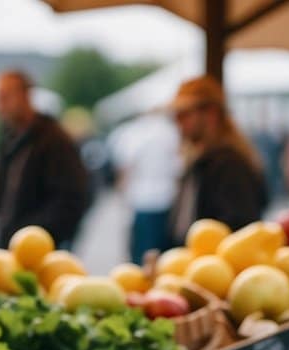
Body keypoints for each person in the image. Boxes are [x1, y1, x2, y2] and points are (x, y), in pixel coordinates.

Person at [0, 70, 89, 249]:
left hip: (40, 246)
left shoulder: (54, 139)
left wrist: (39, 232)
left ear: (25, 95)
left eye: (5, 97)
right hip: (11, 239)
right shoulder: (9, 135)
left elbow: (72, 197)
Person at [167, 76, 266, 246]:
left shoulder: (229, 166)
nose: (178, 121)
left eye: (184, 114)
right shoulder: (204, 160)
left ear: (211, 113)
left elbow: (239, 227)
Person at [109, 111, 179, 262]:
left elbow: (125, 168)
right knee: (162, 255)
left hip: (141, 199)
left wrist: (123, 197)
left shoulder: (135, 133)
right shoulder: (171, 132)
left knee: (141, 254)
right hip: (166, 198)